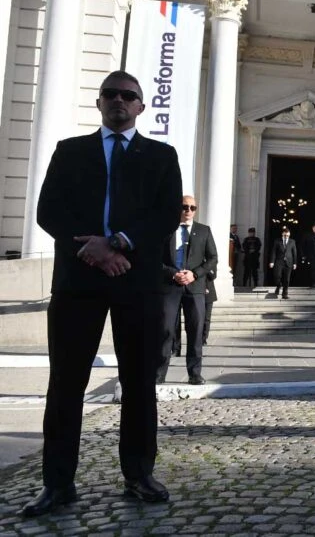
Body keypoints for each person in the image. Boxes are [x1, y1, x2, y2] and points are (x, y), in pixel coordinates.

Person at [24, 70, 182, 516]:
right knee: (66, 384)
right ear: (99, 102)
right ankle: (57, 483)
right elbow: (49, 210)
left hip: (137, 280)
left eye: (128, 95)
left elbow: (166, 213)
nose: (119, 100)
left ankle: (138, 474)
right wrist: (93, 249)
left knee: (138, 383)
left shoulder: (161, 156)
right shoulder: (69, 152)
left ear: (140, 106)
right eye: (110, 94)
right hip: (78, 281)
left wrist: (118, 243)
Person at [157, 195, 217, 386]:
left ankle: (195, 373)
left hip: (195, 287)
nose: (188, 211)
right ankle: (159, 374)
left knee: (196, 330)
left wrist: (195, 274)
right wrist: (173, 274)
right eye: (184, 207)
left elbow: (212, 259)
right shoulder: (165, 230)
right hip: (170, 286)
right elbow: (155, 259)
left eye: (192, 207)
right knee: (165, 330)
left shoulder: (204, 230)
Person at [270, 227, 298, 299]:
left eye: (288, 236)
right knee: (277, 276)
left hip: (289, 262)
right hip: (279, 261)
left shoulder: (292, 241)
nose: (286, 237)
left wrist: (295, 263)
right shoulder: (277, 241)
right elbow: (273, 252)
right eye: (285, 235)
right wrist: (272, 261)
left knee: (287, 279)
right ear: (282, 234)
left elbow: (294, 253)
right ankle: (279, 285)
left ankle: (285, 293)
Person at [204, 270, 217, 346]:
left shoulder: (212, 262)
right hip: (198, 292)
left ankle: (204, 338)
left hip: (209, 294)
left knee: (207, 318)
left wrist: (206, 267)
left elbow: (213, 276)